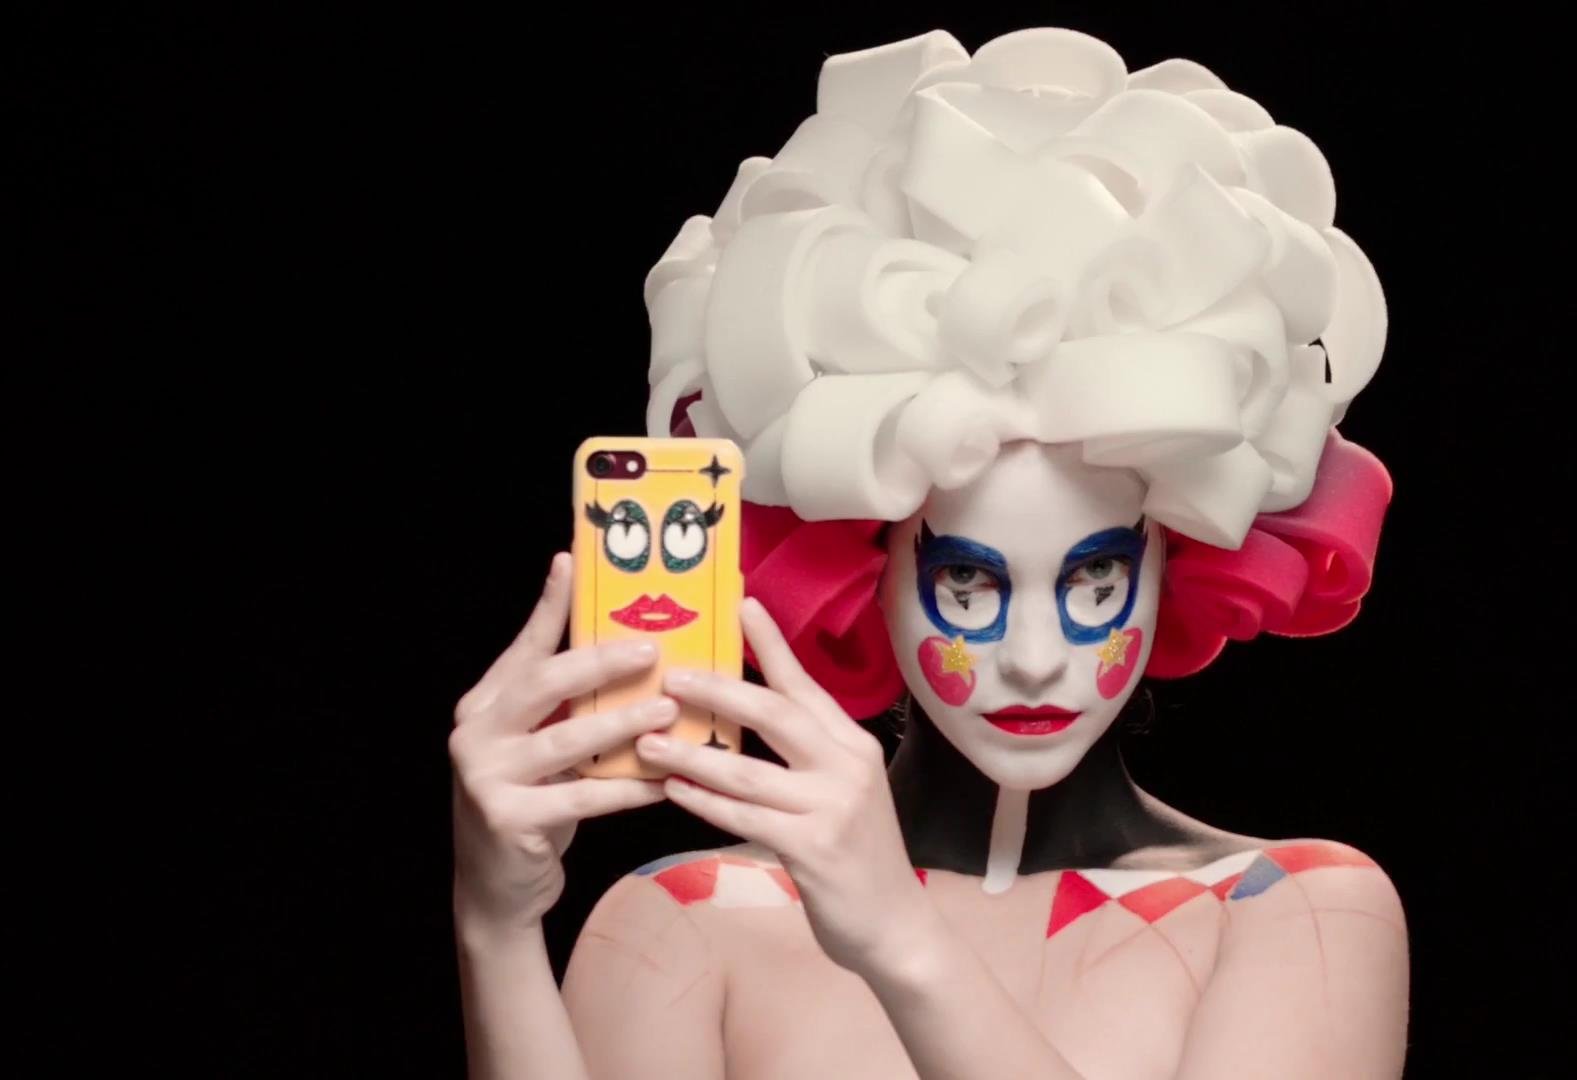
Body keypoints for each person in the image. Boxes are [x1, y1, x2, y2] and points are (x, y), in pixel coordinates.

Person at [450, 27, 1407, 1079]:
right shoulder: (690, 919)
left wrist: (902, 941)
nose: (1034, 660)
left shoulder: (1290, 911)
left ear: (1178, 558)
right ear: (856, 563)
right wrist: (497, 927)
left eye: (1094, 577)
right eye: (967, 579)